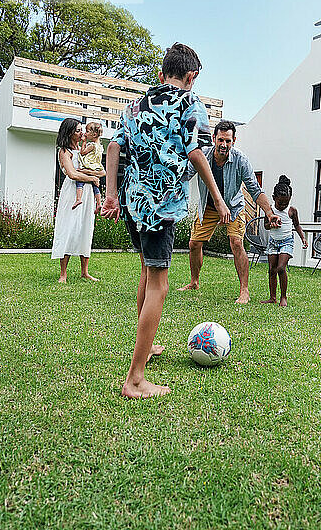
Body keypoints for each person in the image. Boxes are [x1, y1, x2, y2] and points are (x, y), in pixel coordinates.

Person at [101, 42, 230, 399]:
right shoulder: (192, 104)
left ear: (162, 74)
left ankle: (148, 346)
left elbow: (113, 148)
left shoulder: (135, 104)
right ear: (192, 77)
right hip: (160, 206)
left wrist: (111, 195)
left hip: (131, 202)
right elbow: (195, 153)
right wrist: (218, 199)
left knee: (147, 271)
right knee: (160, 283)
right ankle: (135, 379)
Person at [178, 120, 280, 304]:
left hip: (233, 206)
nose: (224, 145)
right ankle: (194, 282)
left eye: (228, 141)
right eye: (221, 140)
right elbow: (184, 176)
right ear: (213, 138)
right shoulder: (203, 156)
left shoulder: (241, 160)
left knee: (236, 243)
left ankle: (244, 291)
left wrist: (270, 213)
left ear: (234, 141)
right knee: (194, 244)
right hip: (208, 206)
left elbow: (255, 190)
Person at [51, 118, 105, 283]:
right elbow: (72, 174)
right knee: (69, 227)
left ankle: (85, 272)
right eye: (78, 131)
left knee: (86, 228)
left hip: (87, 193)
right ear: (69, 133)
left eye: (82, 130)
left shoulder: (89, 150)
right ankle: (63, 274)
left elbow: (102, 172)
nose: (82, 133)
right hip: (72, 193)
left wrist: (93, 177)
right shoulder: (64, 151)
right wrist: (92, 179)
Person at [261, 175, 308, 307]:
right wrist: (272, 225)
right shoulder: (269, 210)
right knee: (271, 270)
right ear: (274, 198)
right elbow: (265, 225)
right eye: (280, 203)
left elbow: (297, 225)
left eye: (285, 203)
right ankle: (272, 297)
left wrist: (303, 238)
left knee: (281, 268)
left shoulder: (292, 211)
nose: (282, 206)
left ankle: (283, 297)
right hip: (273, 242)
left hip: (287, 241)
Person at [72, 122, 105, 214]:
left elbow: (82, 152)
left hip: (89, 166)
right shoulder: (100, 146)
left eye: (87, 131)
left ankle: (78, 199)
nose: (85, 133)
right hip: (96, 167)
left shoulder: (92, 145)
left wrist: (84, 142)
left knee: (80, 181)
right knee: (96, 186)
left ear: (94, 134)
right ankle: (99, 203)